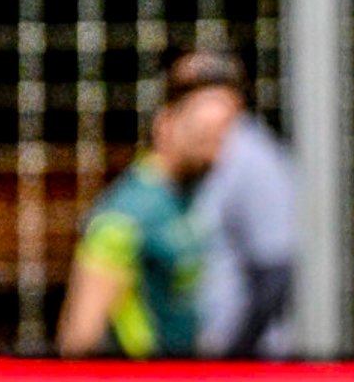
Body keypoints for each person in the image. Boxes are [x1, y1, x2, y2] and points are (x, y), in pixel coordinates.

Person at [58, 50, 295, 359]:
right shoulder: (124, 217)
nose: (218, 153)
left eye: (223, 138)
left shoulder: (193, 196)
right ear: (165, 123)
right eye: (205, 135)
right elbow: (80, 336)